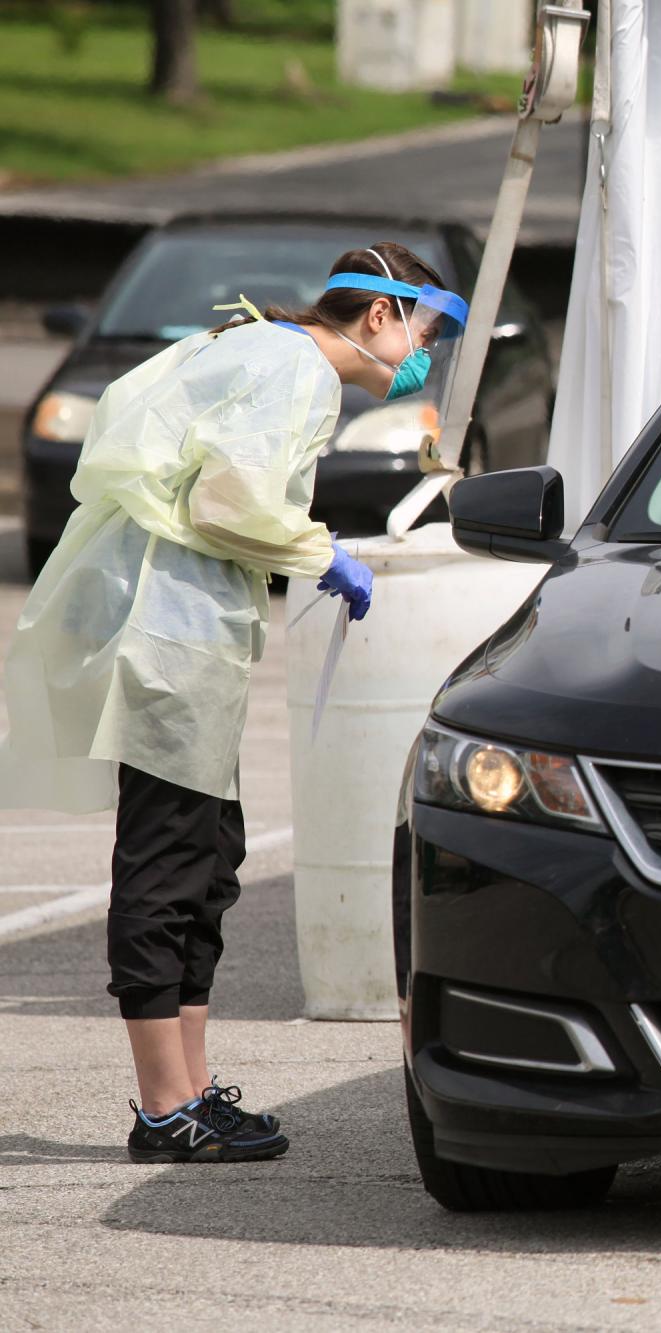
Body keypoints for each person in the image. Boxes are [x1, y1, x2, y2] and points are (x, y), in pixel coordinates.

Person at [0, 243, 465, 1163]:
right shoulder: (294, 368)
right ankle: (162, 1107)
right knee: (168, 862)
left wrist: (299, 550)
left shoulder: (268, 350)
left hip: (188, 636)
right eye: (422, 332)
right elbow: (228, 502)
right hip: (167, 637)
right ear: (378, 314)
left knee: (211, 858)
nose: (422, 357)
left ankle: (193, 1089)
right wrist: (318, 551)